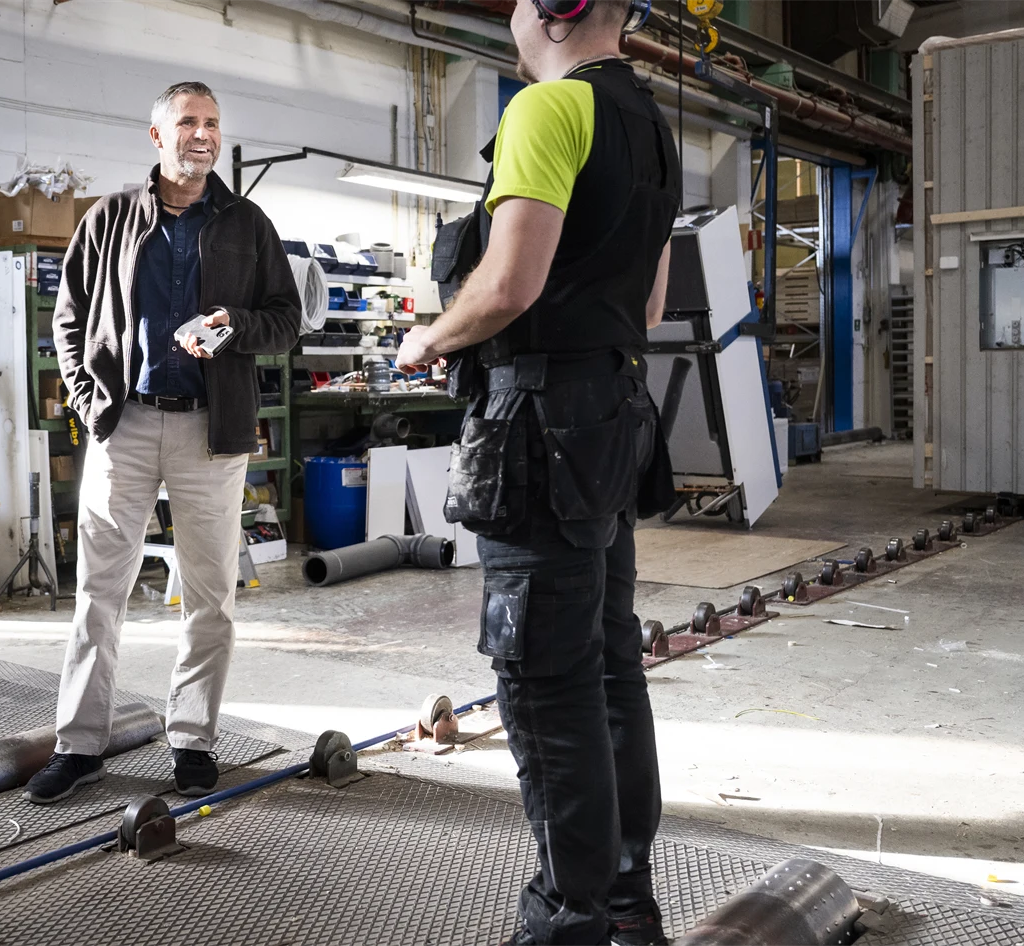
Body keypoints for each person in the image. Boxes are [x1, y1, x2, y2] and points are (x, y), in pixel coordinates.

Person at [395, 0, 680, 943]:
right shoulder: (650, 122)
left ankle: (568, 919)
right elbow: (649, 298)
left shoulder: (547, 111)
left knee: (543, 681)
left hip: (537, 432)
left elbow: (511, 283)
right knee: (607, 669)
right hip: (610, 414)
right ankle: (628, 906)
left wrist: (429, 340)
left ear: (557, 9)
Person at [25, 81, 301, 804]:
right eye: (187, 122)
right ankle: (80, 744)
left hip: (214, 432)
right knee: (98, 593)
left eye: (211, 123)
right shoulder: (109, 218)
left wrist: (234, 325)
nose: (201, 134)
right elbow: (69, 321)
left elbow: (285, 320)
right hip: (128, 423)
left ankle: (192, 740)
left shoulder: (247, 223)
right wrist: (91, 404)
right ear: (157, 135)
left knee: (210, 594)